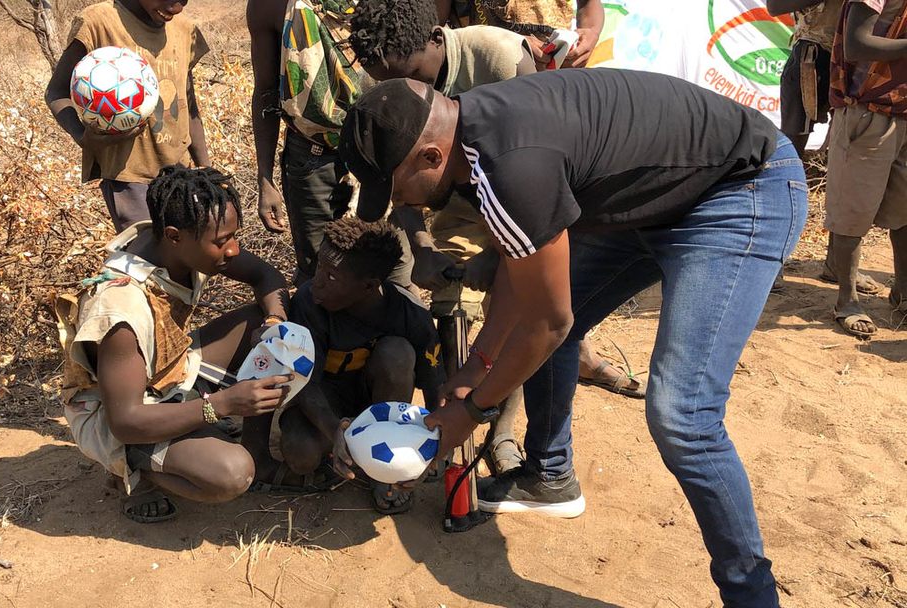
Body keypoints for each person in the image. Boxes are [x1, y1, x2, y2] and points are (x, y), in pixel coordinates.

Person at [338, 74, 806, 605]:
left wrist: (475, 410)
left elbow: (548, 321)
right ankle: (550, 475)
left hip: (740, 189)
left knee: (683, 417)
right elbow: (521, 275)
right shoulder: (474, 140)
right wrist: (475, 366)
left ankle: (752, 597)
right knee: (552, 332)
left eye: (395, 187)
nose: (400, 202)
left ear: (429, 156)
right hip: (652, 198)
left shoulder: (511, 165)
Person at [348, 0, 642, 475]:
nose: (409, 89)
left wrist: (500, 254)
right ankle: (450, 424)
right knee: (453, 308)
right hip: (450, 193)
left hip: (529, 194)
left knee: (523, 311)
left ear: (437, 38)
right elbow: (399, 180)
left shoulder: (500, 58)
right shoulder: (388, 86)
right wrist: (422, 247)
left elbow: (538, 188)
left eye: (415, 75)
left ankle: (501, 429)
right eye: (394, 83)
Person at [56, 165, 292, 522]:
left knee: (268, 324)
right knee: (232, 473)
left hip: (169, 369)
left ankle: (257, 452)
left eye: (233, 237)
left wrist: (273, 323)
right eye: (222, 241)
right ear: (174, 236)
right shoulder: (121, 309)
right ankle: (134, 473)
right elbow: (125, 421)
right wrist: (221, 405)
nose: (233, 249)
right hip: (117, 414)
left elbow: (265, 276)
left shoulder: (180, 245)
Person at [276, 217, 445, 514]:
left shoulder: (410, 314)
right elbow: (304, 382)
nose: (317, 281)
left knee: (397, 353)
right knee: (300, 454)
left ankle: (384, 471)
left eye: (331, 276)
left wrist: (436, 447)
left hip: (382, 407)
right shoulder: (309, 303)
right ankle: (347, 452)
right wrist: (334, 430)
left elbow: (435, 385)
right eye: (319, 267)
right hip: (328, 402)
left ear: (369, 286)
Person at [247, 0, 413, 287]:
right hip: (313, 157)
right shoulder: (269, 6)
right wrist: (265, 179)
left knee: (392, 266)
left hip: (380, 149)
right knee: (320, 273)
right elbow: (266, 90)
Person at [46, 0, 211, 232]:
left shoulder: (185, 30)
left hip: (181, 174)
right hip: (129, 181)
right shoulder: (98, 23)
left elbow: (188, 103)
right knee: (146, 252)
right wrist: (83, 137)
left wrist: (206, 170)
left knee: (188, 250)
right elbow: (56, 92)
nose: (177, 8)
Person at [769, 0, 883, 296]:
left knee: (847, 163)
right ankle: (771, 262)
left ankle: (838, 265)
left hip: (854, 66)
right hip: (813, 57)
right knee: (788, 160)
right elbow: (774, 6)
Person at [825, 0, 907, 338]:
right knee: (853, 211)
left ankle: (903, 293)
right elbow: (857, 45)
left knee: (904, 212)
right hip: (868, 111)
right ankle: (847, 300)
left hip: (903, 110)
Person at [440, 0, 603, 68]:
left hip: (555, 80)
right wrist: (505, 44)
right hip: (485, 79)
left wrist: (590, 31)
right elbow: (434, 33)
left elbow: (589, 3)